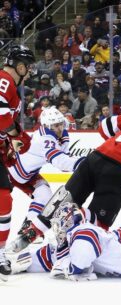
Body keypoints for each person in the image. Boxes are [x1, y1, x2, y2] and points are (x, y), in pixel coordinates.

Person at [12, 112, 121, 253]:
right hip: (117, 175)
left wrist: (117, 147)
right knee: (99, 222)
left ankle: (25, 237)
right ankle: (74, 241)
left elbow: (104, 127)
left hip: (95, 158)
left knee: (64, 198)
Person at [8, 107, 84, 233]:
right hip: (10, 171)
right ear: (47, 126)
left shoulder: (62, 134)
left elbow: (65, 160)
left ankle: (27, 230)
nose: (59, 128)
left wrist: (80, 162)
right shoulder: (44, 138)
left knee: (44, 196)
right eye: (55, 125)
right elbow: (60, 162)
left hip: (28, 175)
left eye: (61, 124)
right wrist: (84, 162)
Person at [0, 44, 35, 280]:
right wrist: (16, 134)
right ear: (20, 66)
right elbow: (1, 115)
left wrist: (6, 144)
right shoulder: (4, 81)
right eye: (28, 68)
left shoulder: (9, 84)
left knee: (3, 197)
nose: (30, 72)